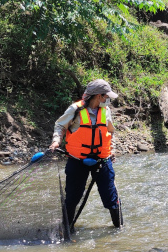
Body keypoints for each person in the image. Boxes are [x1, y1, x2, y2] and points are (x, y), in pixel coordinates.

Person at [49, 79, 122, 231]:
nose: (107, 99)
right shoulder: (75, 110)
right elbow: (60, 125)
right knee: (72, 198)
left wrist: (112, 149)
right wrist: (57, 141)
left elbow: (110, 132)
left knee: (111, 198)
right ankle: (67, 231)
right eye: (105, 96)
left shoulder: (105, 110)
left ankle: (119, 229)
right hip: (77, 160)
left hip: (102, 160)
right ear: (98, 96)